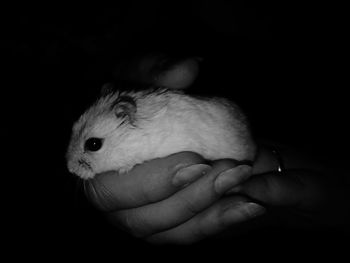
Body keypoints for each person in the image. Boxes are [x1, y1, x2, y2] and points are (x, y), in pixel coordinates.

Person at [83, 54, 349, 245]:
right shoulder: (142, 113)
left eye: (93, 145)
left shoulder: (155, 125)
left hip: (239, 152)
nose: (75, 164)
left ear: (126, 116)